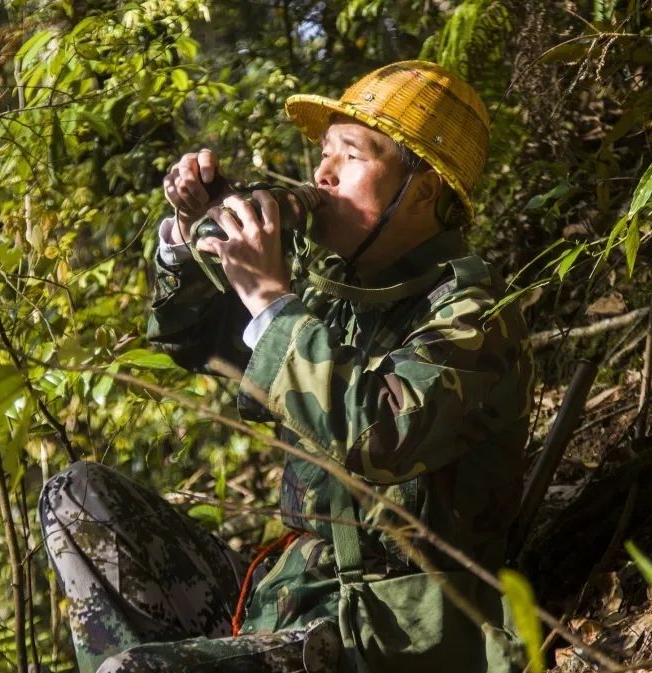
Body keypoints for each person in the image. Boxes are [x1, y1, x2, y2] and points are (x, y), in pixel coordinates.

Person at [39, 60, 534, 673]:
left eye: (349, 156)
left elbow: (379, 437)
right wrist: (191, 233)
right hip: (285, 601)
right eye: (323, 153)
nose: (320, 174)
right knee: (76, 497)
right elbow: (195, 345)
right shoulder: (336, 296)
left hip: (382, 634)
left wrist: (273, 304)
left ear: (424, 191)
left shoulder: (475, 316)